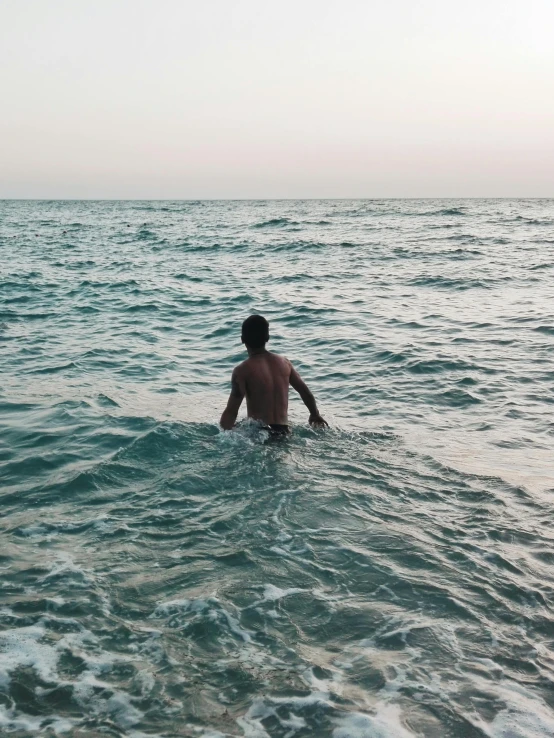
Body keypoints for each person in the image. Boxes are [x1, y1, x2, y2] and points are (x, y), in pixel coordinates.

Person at [219, 315, 328, 435]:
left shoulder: (242, 370)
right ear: (267, 338)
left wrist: (221, 435)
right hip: (284, 431)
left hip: (260, 432)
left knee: (240, 425)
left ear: (242, 339)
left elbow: (232, 411)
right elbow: (305, 392)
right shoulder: (285, 363)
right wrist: (314, 414)